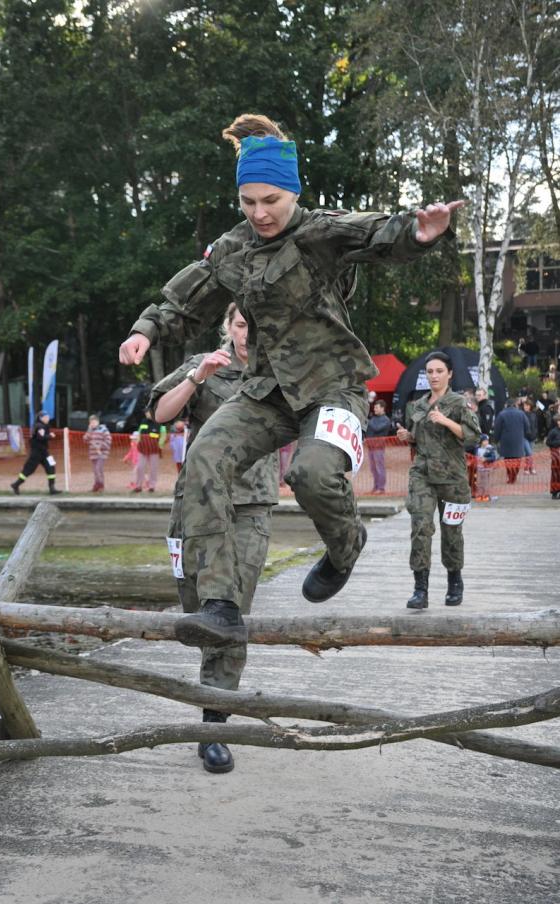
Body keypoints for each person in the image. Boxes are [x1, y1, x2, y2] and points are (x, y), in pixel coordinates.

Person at [119, 112, 462, 647]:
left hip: (333, 386)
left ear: (292, 195)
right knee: (206, 454)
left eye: (271, 202)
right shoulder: (231, 248)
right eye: (248, 202)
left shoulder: (318, 231)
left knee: (312, 472)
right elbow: (185, 295)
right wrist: (146, 330)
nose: (260, 213)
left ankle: (346, 546)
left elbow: (372, 231)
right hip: (267, 391)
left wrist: (417, 233)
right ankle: (219, 604)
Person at [151, 304, 279, 774]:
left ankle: (214, 728)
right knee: (196, 610)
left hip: (250, 506)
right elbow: (160, 410)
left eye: (256, 324)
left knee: (229, 615)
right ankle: (213, 701)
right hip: (197, 507)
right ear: (228, 326)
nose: (248, 333)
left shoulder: (280, 369)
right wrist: (196, 378)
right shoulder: (204, 365)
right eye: (241, 324)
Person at [396, 351, 480, 609]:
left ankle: (455, 581)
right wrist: (407, 436)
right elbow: (419, 436)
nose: (434, 376)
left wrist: (446, 421)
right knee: (420, 527)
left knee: (451, 533)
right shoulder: (418, 405)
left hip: (452, 478)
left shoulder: (458, 403)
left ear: (449, 374)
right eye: (430, 371)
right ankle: (420, 589)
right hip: (422, 474)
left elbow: (473, 436)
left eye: (439, 371)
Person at [11, 411, 61, 495]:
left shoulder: (45, 426)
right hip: (36, 453)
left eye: (48, 417)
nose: (48, 418)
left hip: (45, 452)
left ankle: (52, 489)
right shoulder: (39, 426)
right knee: (29, 470)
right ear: (41, 418)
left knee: (51, 466)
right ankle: (16, 484)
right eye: (46, 417)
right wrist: (50, 436)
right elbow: (41, 437)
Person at [493, 398, 531, 485]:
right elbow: (527, 426)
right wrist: (525, 434)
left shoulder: (502, 414)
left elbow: (497, 428)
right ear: (515, 405)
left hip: (506, 441)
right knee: (517, 459)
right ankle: (514, 476)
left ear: (506, 405)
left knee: (508, 460)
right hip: (518, 440)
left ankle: (510, 476)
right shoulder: (521, 414)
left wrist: (496, 439)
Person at [132, 409, 166, 493]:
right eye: (146, 413)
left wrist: (160, 445)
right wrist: (138, 442)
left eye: (149, 412)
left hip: (154, 449)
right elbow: (139, 433)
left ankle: (152, 486)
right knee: (140, 467)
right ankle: (138, 486)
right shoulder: (143, 422)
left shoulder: (160, 422)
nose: (147, 414)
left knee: (153, 468)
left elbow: (163, 435)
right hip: (142, 448)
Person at [366, 399, 392, 494]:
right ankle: (375, 486)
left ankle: (381, 488)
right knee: (373, 469)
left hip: (379, 447)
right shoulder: (373, 418)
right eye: (374, 407)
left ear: (382, 408)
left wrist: (367, 420)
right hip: (370, 447)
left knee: (380, 468)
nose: (374, 409)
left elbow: (377, 428)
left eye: (376, 407)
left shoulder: (386, 420)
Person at [83, 414, 112, 492]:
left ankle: (100, 484)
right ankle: (97, 484)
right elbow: (85, 439)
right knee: (95, 470)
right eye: (91, 422)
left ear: (98, 422)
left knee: (98, 468)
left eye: (94, 422)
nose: (92, 424)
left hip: (102, 453)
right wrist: (89, 431)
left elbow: (108, 440)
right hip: (93, 454)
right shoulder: (90, 430)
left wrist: (101, 446)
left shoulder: (103, 429)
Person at [474, 433, 497, 502]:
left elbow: (493, 457)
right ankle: (480, 495)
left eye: (487, 440)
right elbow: (475, 457)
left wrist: (486, 459)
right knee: (480, 482)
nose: (486, 442)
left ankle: (488, 495)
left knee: (487, 482)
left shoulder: (490, 448)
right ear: (481, 441)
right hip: (479, 468)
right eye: (485, 441)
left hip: (487, 468)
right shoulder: (477, 449)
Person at [520, 398, 538, 475]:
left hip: (532, 437)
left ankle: (527, 468)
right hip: (524, 437)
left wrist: (536, 434)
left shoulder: (534, 414)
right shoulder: (521, 414)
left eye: (527, 405)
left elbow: (536, 425)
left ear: (530, 406)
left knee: (529, 453)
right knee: (529, 453)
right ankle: (531, 467)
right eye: (525, 405)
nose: (526, 407)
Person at [546, 414, 560, 500]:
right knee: (555, 475)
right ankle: (554, 492)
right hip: (556, 457)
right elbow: (548, 442)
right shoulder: (553, 432)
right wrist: (557, 443)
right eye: (559, 421)